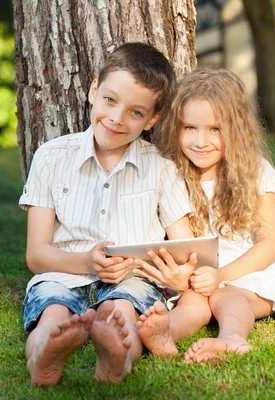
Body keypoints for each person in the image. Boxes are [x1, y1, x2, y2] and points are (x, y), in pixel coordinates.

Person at [18, 42, 199, 386]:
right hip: (62, 273)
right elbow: (36, 255)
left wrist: (180, 275)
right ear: (93, 91)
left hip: (131, 280)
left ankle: (116, 359)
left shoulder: (160, 167)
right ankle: (43, 357)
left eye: (135, 112)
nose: (116, 118)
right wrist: (88, 262)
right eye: (110, 100)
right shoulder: (52, 157)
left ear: (153, 119)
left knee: (121, 316)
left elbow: (187, 248)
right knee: (52, 315)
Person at [133, 67, 275, 363]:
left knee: (227, 296)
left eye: (215, 129)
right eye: (190, 128)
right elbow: (183, 244)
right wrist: (191, 277)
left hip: (254, 272)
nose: (200, 141)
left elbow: (267, 246)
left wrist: (222, 276)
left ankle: (232, 339)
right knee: (193, 303)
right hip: (202, 274)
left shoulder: (257, 172)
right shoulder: (174, 176)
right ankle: (161, 333)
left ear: (236, 129)